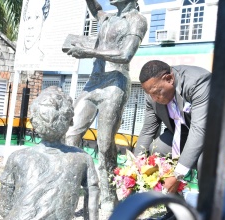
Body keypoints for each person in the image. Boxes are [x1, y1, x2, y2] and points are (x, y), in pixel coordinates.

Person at [63, 0, 147, 212]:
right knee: (71, 134)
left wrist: (89, 52)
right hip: (94, 81)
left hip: (115, 82)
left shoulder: (137, 20)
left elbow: (126, 54)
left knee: (105, 143)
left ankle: (109, 196)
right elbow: (96, 9)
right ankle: (84, 183)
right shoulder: (108, 18)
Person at [134, 60, 225, 194]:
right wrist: (134, 167)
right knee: (158, 149)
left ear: (169, 79)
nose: (154, 98)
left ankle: (206, 207)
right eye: (150, 94)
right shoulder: (152, 93)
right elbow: (147, 131)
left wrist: (177, 175)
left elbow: (199, 130)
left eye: (157, 92)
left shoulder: (197, 82)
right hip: (193, 126)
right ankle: (174, 207)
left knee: (207, 161)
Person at [0, 86, 100, 220]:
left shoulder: (17, 157)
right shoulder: (83, 159)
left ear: (33, 122)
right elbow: (92, 208)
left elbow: (5, 209)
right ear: (71, 121)